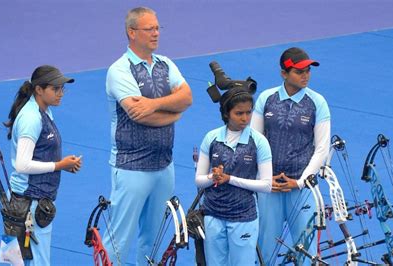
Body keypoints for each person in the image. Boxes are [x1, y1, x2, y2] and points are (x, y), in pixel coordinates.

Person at [102, 6, 192, 265]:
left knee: (153, 239)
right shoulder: (119, 70)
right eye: (149, 28)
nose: (155, 33)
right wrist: (172, 112)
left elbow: (186, 97)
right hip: (131, 168)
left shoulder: (166, 64)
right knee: (119, 240)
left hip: (164, 167)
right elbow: (138, 115)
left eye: (157, 28)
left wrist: (152, 104)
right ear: (132, 32)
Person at [251, 47, 331, 265]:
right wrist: (266, 179)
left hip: (302, 189)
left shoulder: (318, 103)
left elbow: (322, 148)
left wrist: (301, 182)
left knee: (305, 252)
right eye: (299, 71)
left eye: (308, 70)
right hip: (270, 188)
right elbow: (255, 142)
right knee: (265, 250)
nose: (306, 75)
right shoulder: (266, 98)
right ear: (284, 73)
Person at [3, 65, 82, 266]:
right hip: (30, 204)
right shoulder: (31, 118)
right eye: (55, 89)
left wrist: (63, 164)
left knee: (21, 262)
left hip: (28, 202)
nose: (61, 93)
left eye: (62, 88)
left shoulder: (41, 111)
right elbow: (22, 164)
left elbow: (39, 153)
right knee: (36, 262)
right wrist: (58, 165)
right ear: (39, 90)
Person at [195, 85, 273, 265]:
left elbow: (266, 185)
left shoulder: (259, 142)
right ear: (226, 113)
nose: (245, 118)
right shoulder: (211, 138)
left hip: (243, 217)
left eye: (248, 112)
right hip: (213, 215)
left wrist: (230, 179)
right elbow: (199, 180)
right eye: (239, 113)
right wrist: (212, 177)